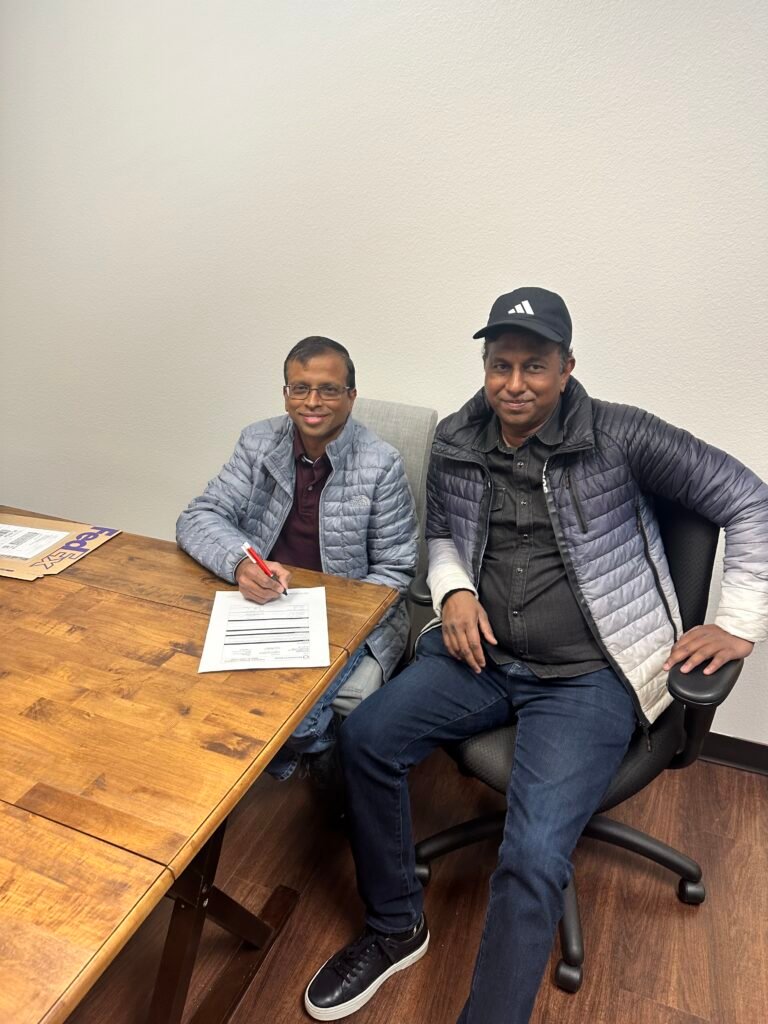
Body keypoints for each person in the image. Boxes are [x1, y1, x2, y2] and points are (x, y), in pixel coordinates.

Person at [303, 288, 768, 1023]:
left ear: (566, 367)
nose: (514, 383)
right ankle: (395, 927)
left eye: (534, 366)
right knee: (365, 737)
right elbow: (441, 535)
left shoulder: (621, 435)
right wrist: (454, 591)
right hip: (484, 655)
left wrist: (738, 624)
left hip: (587, 676)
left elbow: (749, 498)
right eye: (501, 365)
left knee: (531, 855)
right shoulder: (458, 439)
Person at [177, 336, 418, 782]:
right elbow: (199, 517)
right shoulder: (257, 441)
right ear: (285, 393)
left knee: (296, 724)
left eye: (328, 389)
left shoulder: (381, 463)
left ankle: (317, 755)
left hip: (347, 617)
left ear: (351, 396)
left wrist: (331, 616)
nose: (312, 402)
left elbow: (396, 570)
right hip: (265, 601)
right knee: (183, 677)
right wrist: (242, 566)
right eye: (300, 388)